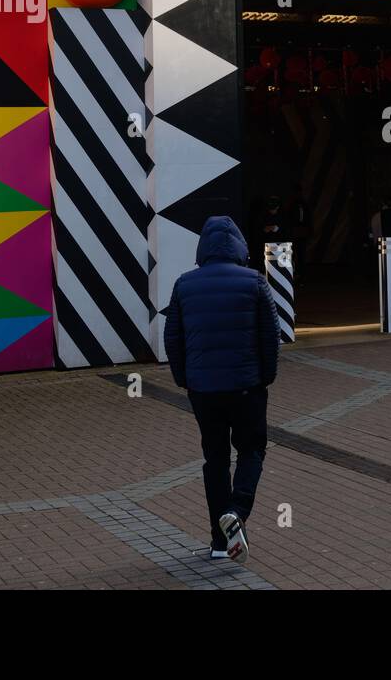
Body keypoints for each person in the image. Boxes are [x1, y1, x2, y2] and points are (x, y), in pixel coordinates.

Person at [164, 215, 279, 564]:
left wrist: (185, 378)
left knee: (214, 459)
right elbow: (270, 336)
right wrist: (265, 377)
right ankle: (237, 510)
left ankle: (218, 543)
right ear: (239, 246)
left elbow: (173, 338)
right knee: (251, 449)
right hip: (246, 387)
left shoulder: (184, 284)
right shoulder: (255, 282)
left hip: (204, 391)